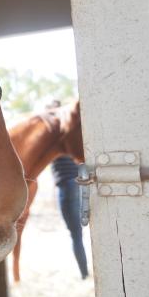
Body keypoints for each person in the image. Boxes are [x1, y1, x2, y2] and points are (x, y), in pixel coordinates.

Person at [47, 101, 88, 279]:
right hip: (77, 184)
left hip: (67, 186)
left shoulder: (53, 137)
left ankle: (84, 274)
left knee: (76, 234)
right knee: (79, 232)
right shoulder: (71, 132)